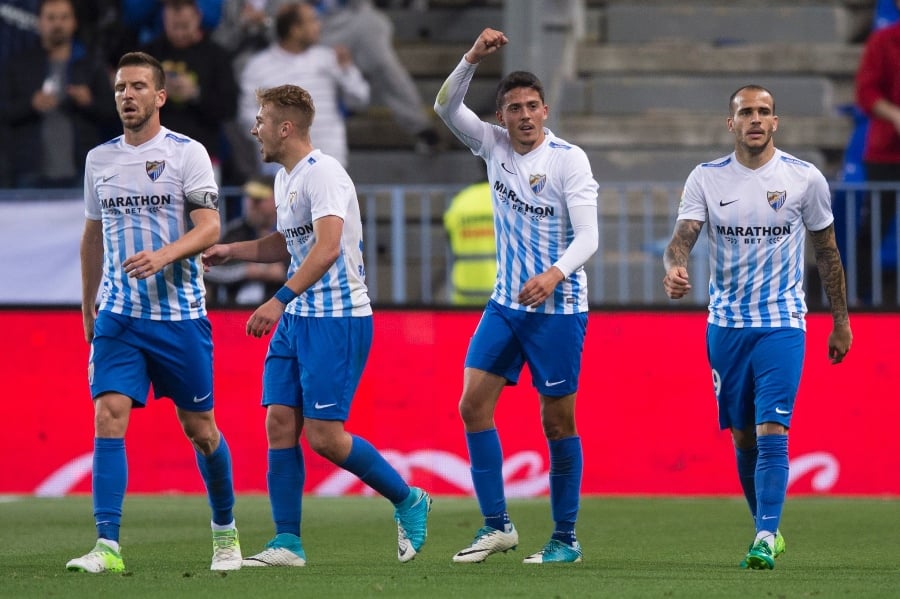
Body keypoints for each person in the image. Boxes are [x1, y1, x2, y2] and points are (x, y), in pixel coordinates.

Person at [202, 83, 431, 566]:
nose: (254, 128)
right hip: (300, 317)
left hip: (336, 317)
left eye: (261, 120)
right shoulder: (287, 179)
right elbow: (290, 244)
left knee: (325, 436)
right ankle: (288, 542)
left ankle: (408, 499)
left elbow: (327, 247)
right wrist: (232, 249)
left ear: (286, 128)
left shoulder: (324, 173)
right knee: (279, 422)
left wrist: (278, 299)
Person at [662, 84, 853, 570]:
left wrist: (841, 322)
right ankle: (764, 526)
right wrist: (675, 266)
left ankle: (765, 535)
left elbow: (827, 251)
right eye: (746, 112)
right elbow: (680, 240)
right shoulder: (706, 179)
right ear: (731, 123)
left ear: (775, 122)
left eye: (764, 112)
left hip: (782, 324)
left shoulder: (804, 179)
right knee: (743, 437)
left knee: (773, 427)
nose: (755, 119)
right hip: (725, 326)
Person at [67, 51, 242, 573]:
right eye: (121, 87)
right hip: (119, 316)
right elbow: (92, 235)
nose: (128, 95)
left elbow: (210, 226)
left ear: (160, 96)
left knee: (202, 429)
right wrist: (87, 304)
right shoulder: (99, 159)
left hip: (179, 317)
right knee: (108, 415)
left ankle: (226, 534)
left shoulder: (187, 154)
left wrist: (164, 255)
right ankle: (107, 546)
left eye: (139, 86)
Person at [433, 29, 599, 564]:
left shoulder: (569, 161)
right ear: (501, 117)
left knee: (557, 422)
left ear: (545, 110)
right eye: (513, 108)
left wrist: (554, 274)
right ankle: (497, 525)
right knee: (472, 406)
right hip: (506, 307)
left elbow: (591, 236)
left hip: (558, 309)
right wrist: (472, 57)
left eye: (532, 106)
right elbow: (444, 106)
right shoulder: (492, 144)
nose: (524, 116)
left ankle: (565, 538)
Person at [236, 2, 368, 170]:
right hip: (280, 169)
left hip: (329, 165)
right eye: (312, 21)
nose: (318, 26)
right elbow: (245, 115)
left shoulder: (329, 59)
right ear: (295, 29)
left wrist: (347, 70)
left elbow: (359, 99)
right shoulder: (258, 67)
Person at [0, 0, 117, 188]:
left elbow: (112, 113)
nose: (57, 24)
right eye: (51, 18)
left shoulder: (92, 65)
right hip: (30, 172)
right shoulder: (18, 65)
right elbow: (4, 111)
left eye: (64, 17)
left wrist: (89, 103)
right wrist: (31, 105)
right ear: (39, 22)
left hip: (82, 172)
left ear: (74, 22)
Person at [141, 0, 239, 184]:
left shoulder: (216, 56)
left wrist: (196, 94)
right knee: (157, 213)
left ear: (197, 18)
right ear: (164, 19)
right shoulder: (148, 55)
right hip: (156, 157)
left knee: (204, 213)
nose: (179, 33)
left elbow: (229, 108)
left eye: (185, 26)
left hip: (203, 157)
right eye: (174, 26)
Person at [855, 0, 900, 305]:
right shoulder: (883, 41)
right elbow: (866, 92)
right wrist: (895, 115)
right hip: (886, 154)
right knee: (871, 230)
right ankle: (859, 301)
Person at [204, 173, 288, 306]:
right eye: (249, 198)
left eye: (259, 199)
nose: (252, 204)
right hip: (234, 311)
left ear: (277, 199)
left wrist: (283, 275)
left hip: (279, 310)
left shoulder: (290, 233)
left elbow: (305, 272)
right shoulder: (235, 233)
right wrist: (246, 271)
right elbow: (208, 270)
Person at [442, 180, 496, 305]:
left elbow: (449, 238)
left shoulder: (461, 200)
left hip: (464, 297)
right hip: (504, 299)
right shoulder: (511, 199)